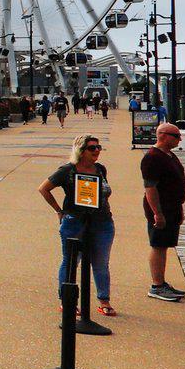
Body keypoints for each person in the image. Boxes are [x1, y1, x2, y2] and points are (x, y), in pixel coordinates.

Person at [40, 132, 116, 316]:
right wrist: (59, 210)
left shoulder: (100, 169)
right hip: (75, 222)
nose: (97, 151)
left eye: (98, 147)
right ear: (81, 151)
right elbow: (44, 188)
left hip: (102, 222)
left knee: (101, 262)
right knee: (72, 261)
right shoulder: (67, 170)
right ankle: (67, 302)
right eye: (92, 148)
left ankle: (104, 300)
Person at [140, 121, 185, 302]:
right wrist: (157, 213)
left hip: (172, 207)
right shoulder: (152, 157)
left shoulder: (169, 155)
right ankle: (157, 285)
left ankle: (161, 282)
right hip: (161, 209)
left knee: (165, 244)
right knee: (158, 244)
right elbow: (150, 188)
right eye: (176, 136)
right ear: (162, 135)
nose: (179, 139)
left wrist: (179, 208)